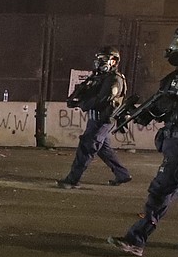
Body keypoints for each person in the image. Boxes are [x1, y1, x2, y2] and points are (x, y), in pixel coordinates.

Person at [107, 25, 178, 256]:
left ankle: (136, 239)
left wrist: (177, 107)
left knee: (162, 190)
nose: (174, 49)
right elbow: (161, 105)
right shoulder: (177, 77)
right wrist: (140, 115)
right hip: (177, 141)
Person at [56, 46, 132, 188]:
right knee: (103, 148)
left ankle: (72, 180)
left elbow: (103, 99)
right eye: (98, 59)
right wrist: (76, 99)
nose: (99, 62)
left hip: (104, 119)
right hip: (95, 118)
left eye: (103, 59)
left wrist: (82, 103)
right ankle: (123, 174)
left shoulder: (115, 79)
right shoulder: (99, 77)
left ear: (114, 61)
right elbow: (86, 91)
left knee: (87, 146)